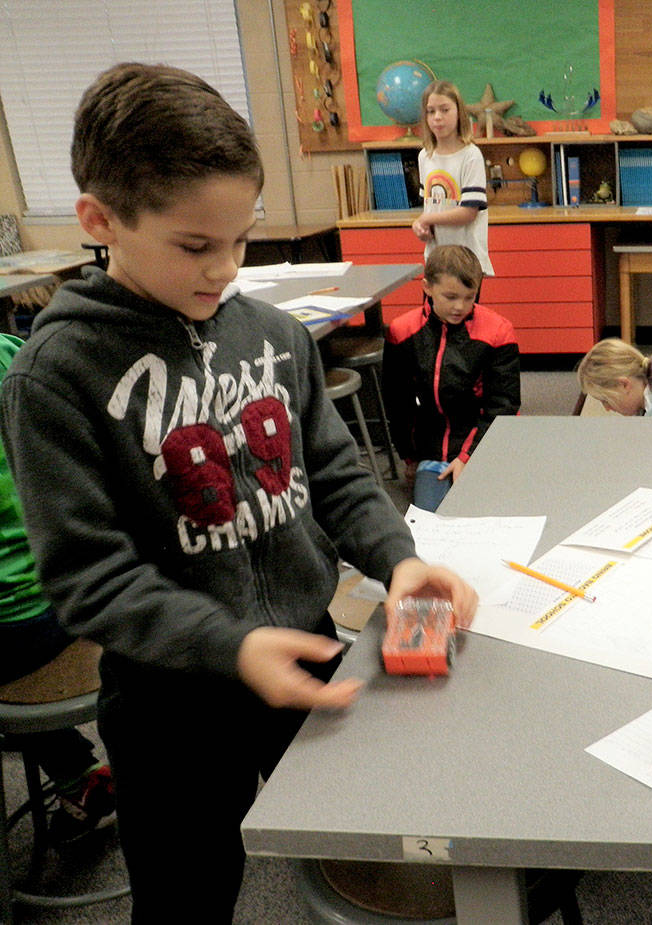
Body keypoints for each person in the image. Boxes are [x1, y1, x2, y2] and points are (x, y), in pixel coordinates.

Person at [0, 63, 478, 922]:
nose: (226, 268)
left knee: (367, 857)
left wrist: (397, 560)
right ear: (99, 220)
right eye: (195, 246)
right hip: (170, 703)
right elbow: (88, 577)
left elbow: (333, 472)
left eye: (241, 239)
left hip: (306, 642)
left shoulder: (274, 334)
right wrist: (231, 645)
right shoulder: (54, 375)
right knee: (188, 895)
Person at [0, 332, 117, 845]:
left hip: (23, 618)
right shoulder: (11, 350)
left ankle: (73, 771)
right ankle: (77, 775)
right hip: (82, 580)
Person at [383, 244, 520, 510]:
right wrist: (410, 458)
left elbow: (503, 406)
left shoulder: (498, 332)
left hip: (484, 443)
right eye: (450, 296)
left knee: (489, 515)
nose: (461, 307)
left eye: (470, 297)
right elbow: (397, 402)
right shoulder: (402, 331)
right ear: (427, 287)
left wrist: (469, 457)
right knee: (431, 521)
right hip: (432, 450)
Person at [412, 80, 493, 284]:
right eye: (431, 111)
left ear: (459, 113)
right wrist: (421, 226)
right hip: (436, 260)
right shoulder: (425, 157)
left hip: (466, 260)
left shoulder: (471, 155)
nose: (437, 117)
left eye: (445, 110)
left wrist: (427, 219)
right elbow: (430, 208)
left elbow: (467, 212)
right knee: (432, 315)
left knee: (462, 314)